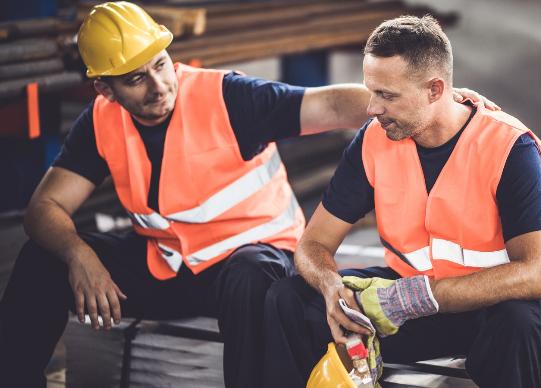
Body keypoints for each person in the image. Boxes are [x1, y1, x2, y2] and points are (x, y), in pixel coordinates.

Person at [0, 3, 495, 388]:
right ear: (103, 90)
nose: (158, 85)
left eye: (160, 65)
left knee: (251, 277)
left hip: (255, 259)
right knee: (41, 261)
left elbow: (325, 105)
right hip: (168, 264)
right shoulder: (102, 122)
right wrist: (78, 254)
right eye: (135, 79)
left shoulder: (227, 96)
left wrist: (437, 104)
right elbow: (44, 208)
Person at [262, 15, 541, 388]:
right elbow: (314, 244)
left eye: (387, 96)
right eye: (371, 91)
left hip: (499, 306)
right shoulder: (373, 140)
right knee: (288, 298)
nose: (372, 108)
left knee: (516, 326)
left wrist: (415, 298)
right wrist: (333, 291)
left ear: (435, 90)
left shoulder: (510, 147)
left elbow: (535, 277)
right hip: (417, 300)